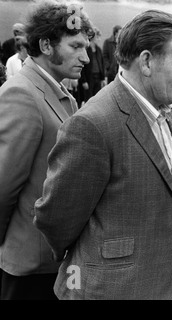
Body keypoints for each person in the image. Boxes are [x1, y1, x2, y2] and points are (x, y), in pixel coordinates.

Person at [33, 9, 172, 300]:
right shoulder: (93, 125)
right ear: (146, 61)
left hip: (160, 279)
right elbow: (56, 219)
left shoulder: (162, 108)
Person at [0, 0, 93, 300]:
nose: (86, 57)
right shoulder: (22, 93)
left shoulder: (58, 91)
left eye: (87, 47)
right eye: (76, 46)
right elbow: (3, 187)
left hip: (50, 259)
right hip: (28, 263)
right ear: (46, 45)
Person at [78, 27, 105, 106]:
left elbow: (102, 64)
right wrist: (84, 81)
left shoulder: (99, 50)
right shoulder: (86, 49)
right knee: (89, 99)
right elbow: (82, 66)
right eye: (97, 37)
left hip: (98, 77)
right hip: (89, 77)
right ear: (93, 37)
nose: (99, 39)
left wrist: (103, 78)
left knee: (97, 98)